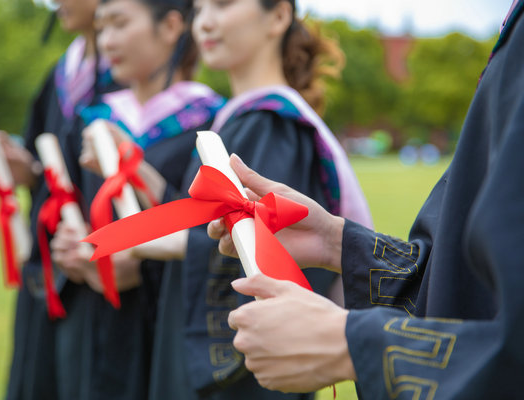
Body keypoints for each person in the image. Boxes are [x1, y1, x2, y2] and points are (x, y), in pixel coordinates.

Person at [209, 2, 524, 398]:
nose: (203, 20)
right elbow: (463, 286)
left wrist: (351, 342)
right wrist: (336, 241)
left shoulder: (271, 121)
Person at [146, 0, 372, 399]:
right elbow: (205, 219)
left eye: (223, 4)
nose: (206, 22)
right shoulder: (241, 120)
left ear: (280, 16)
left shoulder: (269, 124)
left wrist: (157, 241)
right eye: (199, 9)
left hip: (251, 378)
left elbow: (266, 252)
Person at [50, 0, 225, 398]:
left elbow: (211, 236)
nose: (106, 40)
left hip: (168, 328)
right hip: (98, 326)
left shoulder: (211, 124)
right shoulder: (93, 121)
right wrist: (70, 253)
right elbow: (69, 208)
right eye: (102, 26)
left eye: (120, 24)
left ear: (171, 26)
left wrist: (140, 266)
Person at [0, 0, 118, 398]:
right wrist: (28, 171)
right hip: (46, 263)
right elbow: (45, 169)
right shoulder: (60, 74)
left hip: (100, 274)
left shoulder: (132, 78)